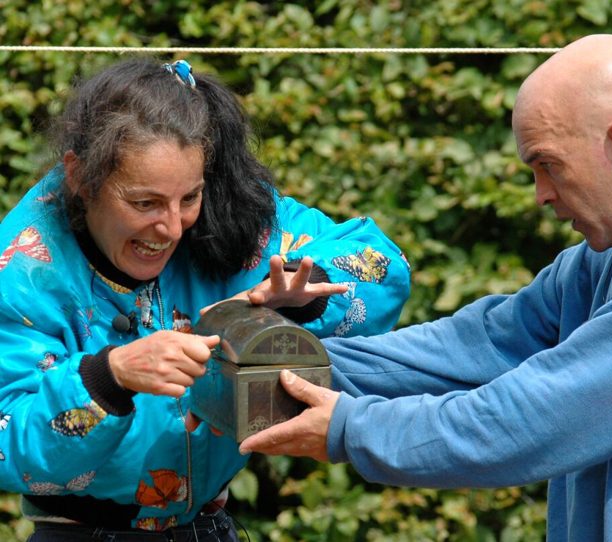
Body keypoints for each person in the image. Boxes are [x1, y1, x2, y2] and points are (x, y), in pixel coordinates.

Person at [238, 34, 612, 540]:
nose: (539, 193)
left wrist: (349, 428)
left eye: (547, 164)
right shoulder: (610, 255)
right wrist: (265, 362)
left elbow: (545, 414)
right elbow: (472, 348)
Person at [0, 57, 410, 539]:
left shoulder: (231, 206)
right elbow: (9, 446)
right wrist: (110, 377)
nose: (172, 228)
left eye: (188, 198)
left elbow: (382, 262)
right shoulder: (22, 270)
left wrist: (307, 291)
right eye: (145, 203)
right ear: (80, 176)